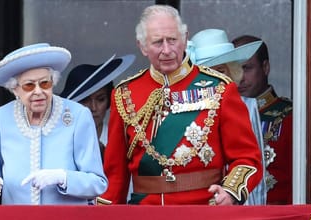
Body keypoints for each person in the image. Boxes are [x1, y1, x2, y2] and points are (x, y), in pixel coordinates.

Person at [97, 5, 262, 205]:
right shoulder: (124, 94)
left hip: (204, 211)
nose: (167, 50)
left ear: (184, 39)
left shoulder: (220, 88)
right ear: (142, 46)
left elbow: (247, 158)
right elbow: (115, 175)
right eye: (158, 42)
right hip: (145, 214)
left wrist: (231, 192)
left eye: (172, 40)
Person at [0, 43, 108, 205]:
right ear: (15, 89)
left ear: (53, 83)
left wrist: (63, 177)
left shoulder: (78, 116)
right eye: (29, 85)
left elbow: (97, 183)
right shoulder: (1, 118)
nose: (38, 92)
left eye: (45, 83)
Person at [187, 28, 267, 205]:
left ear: (232, 72)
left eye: (220, 71)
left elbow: (251, 168)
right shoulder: (181, 108)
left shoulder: (245, 106)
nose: (214, 79)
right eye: (207, 72)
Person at [232, 35, 293, 204]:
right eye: (235, 70)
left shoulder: (291, 118)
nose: (240, 78)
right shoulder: (221, 117)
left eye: (247, 68)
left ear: (265, 67)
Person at [59, 54, 136, 161]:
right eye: (84, 100)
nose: (93, 107)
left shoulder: (118, 140)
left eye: (100, 99)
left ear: (109, 102)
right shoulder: (58, 141)